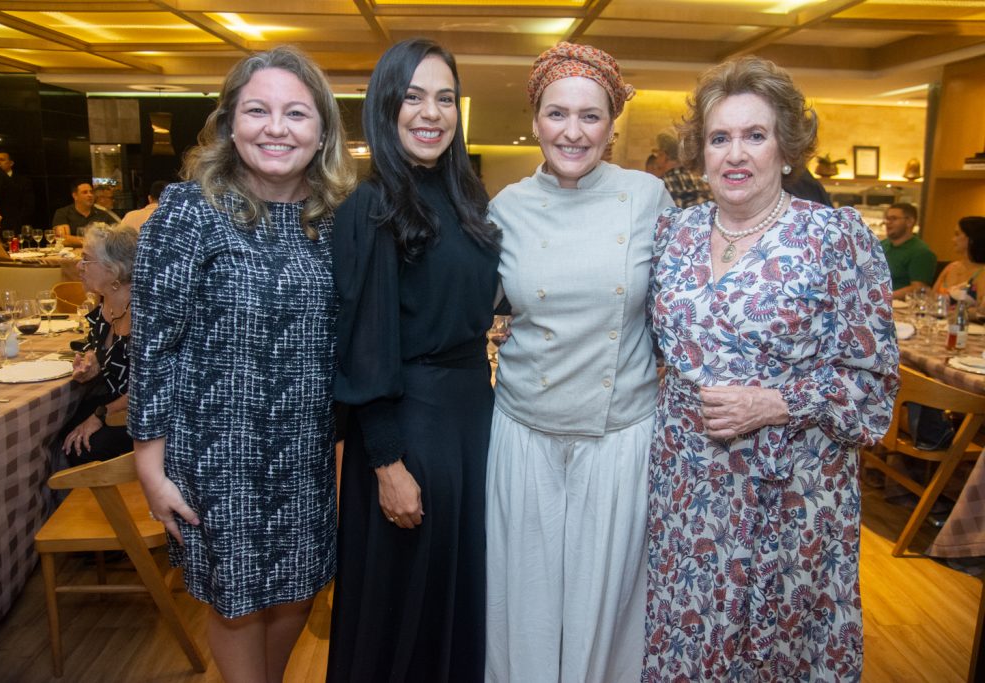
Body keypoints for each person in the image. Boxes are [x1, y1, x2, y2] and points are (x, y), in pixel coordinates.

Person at [643, 56, 899, 681]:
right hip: (687, 492)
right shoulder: (672, 234)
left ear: (786, 149)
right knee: (688, 643)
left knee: (775, 652)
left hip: (788, 497)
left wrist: (777, 401)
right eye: (719, 137)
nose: (736, 153)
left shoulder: (835, 238)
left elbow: (874, 386)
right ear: (699, 153)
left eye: (755, 136)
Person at [128, 45, 355, 683]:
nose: (276, 128)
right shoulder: (189, 211)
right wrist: (151, 466)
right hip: (217, 456)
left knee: (295, 591)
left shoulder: (339, 221)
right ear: (230, 123)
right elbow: (152, 347)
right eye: (258, 110)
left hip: (307, 456)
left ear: (322, 131)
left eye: (296, 113)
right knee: (234, 602)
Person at [485, 42, 673, 682]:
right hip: (525, 431)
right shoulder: (504, 208)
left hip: (619, 434)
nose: (573, 131)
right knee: (525, 601)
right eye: (557, 114)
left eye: (591, 116)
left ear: (613, 123)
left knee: (608, 604)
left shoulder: (649, 198)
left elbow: (684, 311)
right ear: (534, 119)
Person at [327, 38, 500, 683]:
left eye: (445, 98)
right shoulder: (371, 205)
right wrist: (387, 462)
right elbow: (363, 346)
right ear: (385, 106)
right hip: (409, 429)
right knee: (403, 609)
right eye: (413, 97)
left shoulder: (464, 197)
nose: (431, 113)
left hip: (470, 417)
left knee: (456, 599)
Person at [57, 224, 137, 465]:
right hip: (114, 405)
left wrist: (101, 415)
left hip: (140, 416)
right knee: (58, 429)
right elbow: (99, 348)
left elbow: (151, 386)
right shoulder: (105, 306)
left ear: (114, 270)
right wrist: (93, 363)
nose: (78, 267)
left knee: (80, 446)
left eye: (86, 259)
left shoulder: (145, 314)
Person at [881, 202, 936, 300]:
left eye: (893, 219)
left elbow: (918, 288)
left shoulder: (921, 252)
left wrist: (883, 297)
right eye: (887, 219)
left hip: (899, 308)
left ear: (909, 222)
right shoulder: (882, 245)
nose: (888, 223)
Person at [933, 216, 985, 309]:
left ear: (972, 238)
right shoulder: (951, 267)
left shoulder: (982, 272)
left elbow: (981, 311)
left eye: (957, 234)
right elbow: (931, 299)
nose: (953, 239)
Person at [654, 129, 712, 208]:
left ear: (664, 156)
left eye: (657, 153)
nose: (656, 159)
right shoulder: (702, 179)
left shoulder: (661, 186)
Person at [51, 180, 113, 246]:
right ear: (75, 196)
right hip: (72, 254)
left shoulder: (102, 214)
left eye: (91, 192)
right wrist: (94, 241)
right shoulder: (63, 213)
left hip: (97, 254)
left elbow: (114, 236)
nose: (90, 195)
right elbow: (62, 239)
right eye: (85, 192)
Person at [0, 150, 35, 226]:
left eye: (2, 160)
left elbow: (28, 205)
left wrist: (19, 221)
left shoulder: (23, 181)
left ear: (11, 163)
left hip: (16, 223)